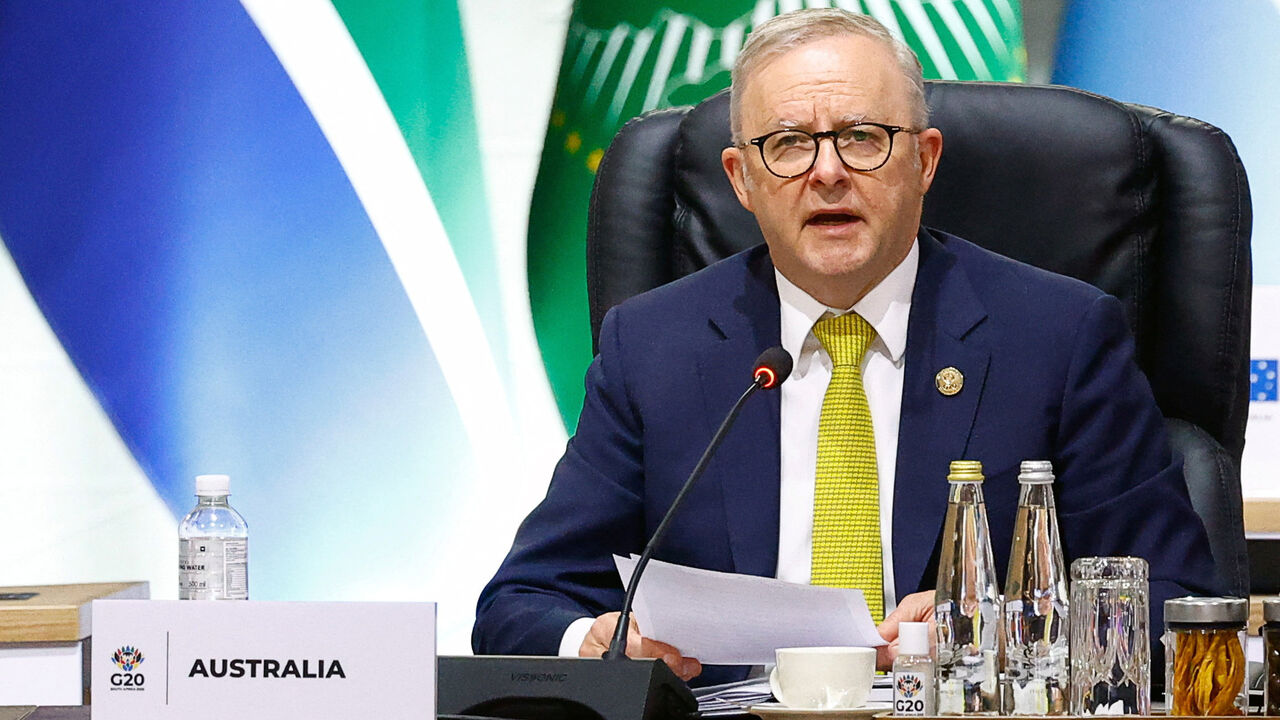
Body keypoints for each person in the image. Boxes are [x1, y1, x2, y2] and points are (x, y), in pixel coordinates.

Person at [473, 8, 1218, 686]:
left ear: (924, 160)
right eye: (789, 144)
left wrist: (995, 628)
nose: (827, 172)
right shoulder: (653, 348)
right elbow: (521, 604)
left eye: (862, 138)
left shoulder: (1058, 337)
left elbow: (1174, 596)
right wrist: (599, 641)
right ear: (741, 179)